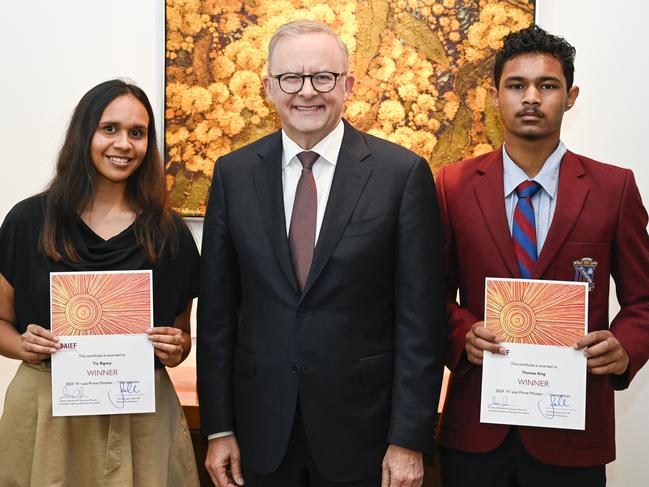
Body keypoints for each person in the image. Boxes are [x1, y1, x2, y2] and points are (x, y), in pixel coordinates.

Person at [197, 20, 447, 487]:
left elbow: (420, 322)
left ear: (348, 85)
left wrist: (409, 437)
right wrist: (219, 427)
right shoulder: (233, 174)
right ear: (269, 87)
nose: (306, 92)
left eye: (323, 78)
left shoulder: (401, 175)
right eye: (291, 78)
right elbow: (216, 317)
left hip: (365, 433)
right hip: (260, 429)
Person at [436, 25, 649, 486]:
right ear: (495, 96)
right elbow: (427, 295)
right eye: (516, 85)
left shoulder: (614, 188)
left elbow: (645, 300)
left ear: (570, 96)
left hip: (573, 434)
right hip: (476, 428)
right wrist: (461, 334)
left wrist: (625, 345)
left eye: (547, 85)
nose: (531, 97)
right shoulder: (453, 185)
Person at [0, 79, 201, 486]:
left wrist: (178, 347)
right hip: (47, 413)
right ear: (84, 133)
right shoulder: (28, 221)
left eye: (137, 133)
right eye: (109, 128)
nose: (123, 144)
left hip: (141, 414)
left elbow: (181, 337)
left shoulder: (168, 232)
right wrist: (22, 344)